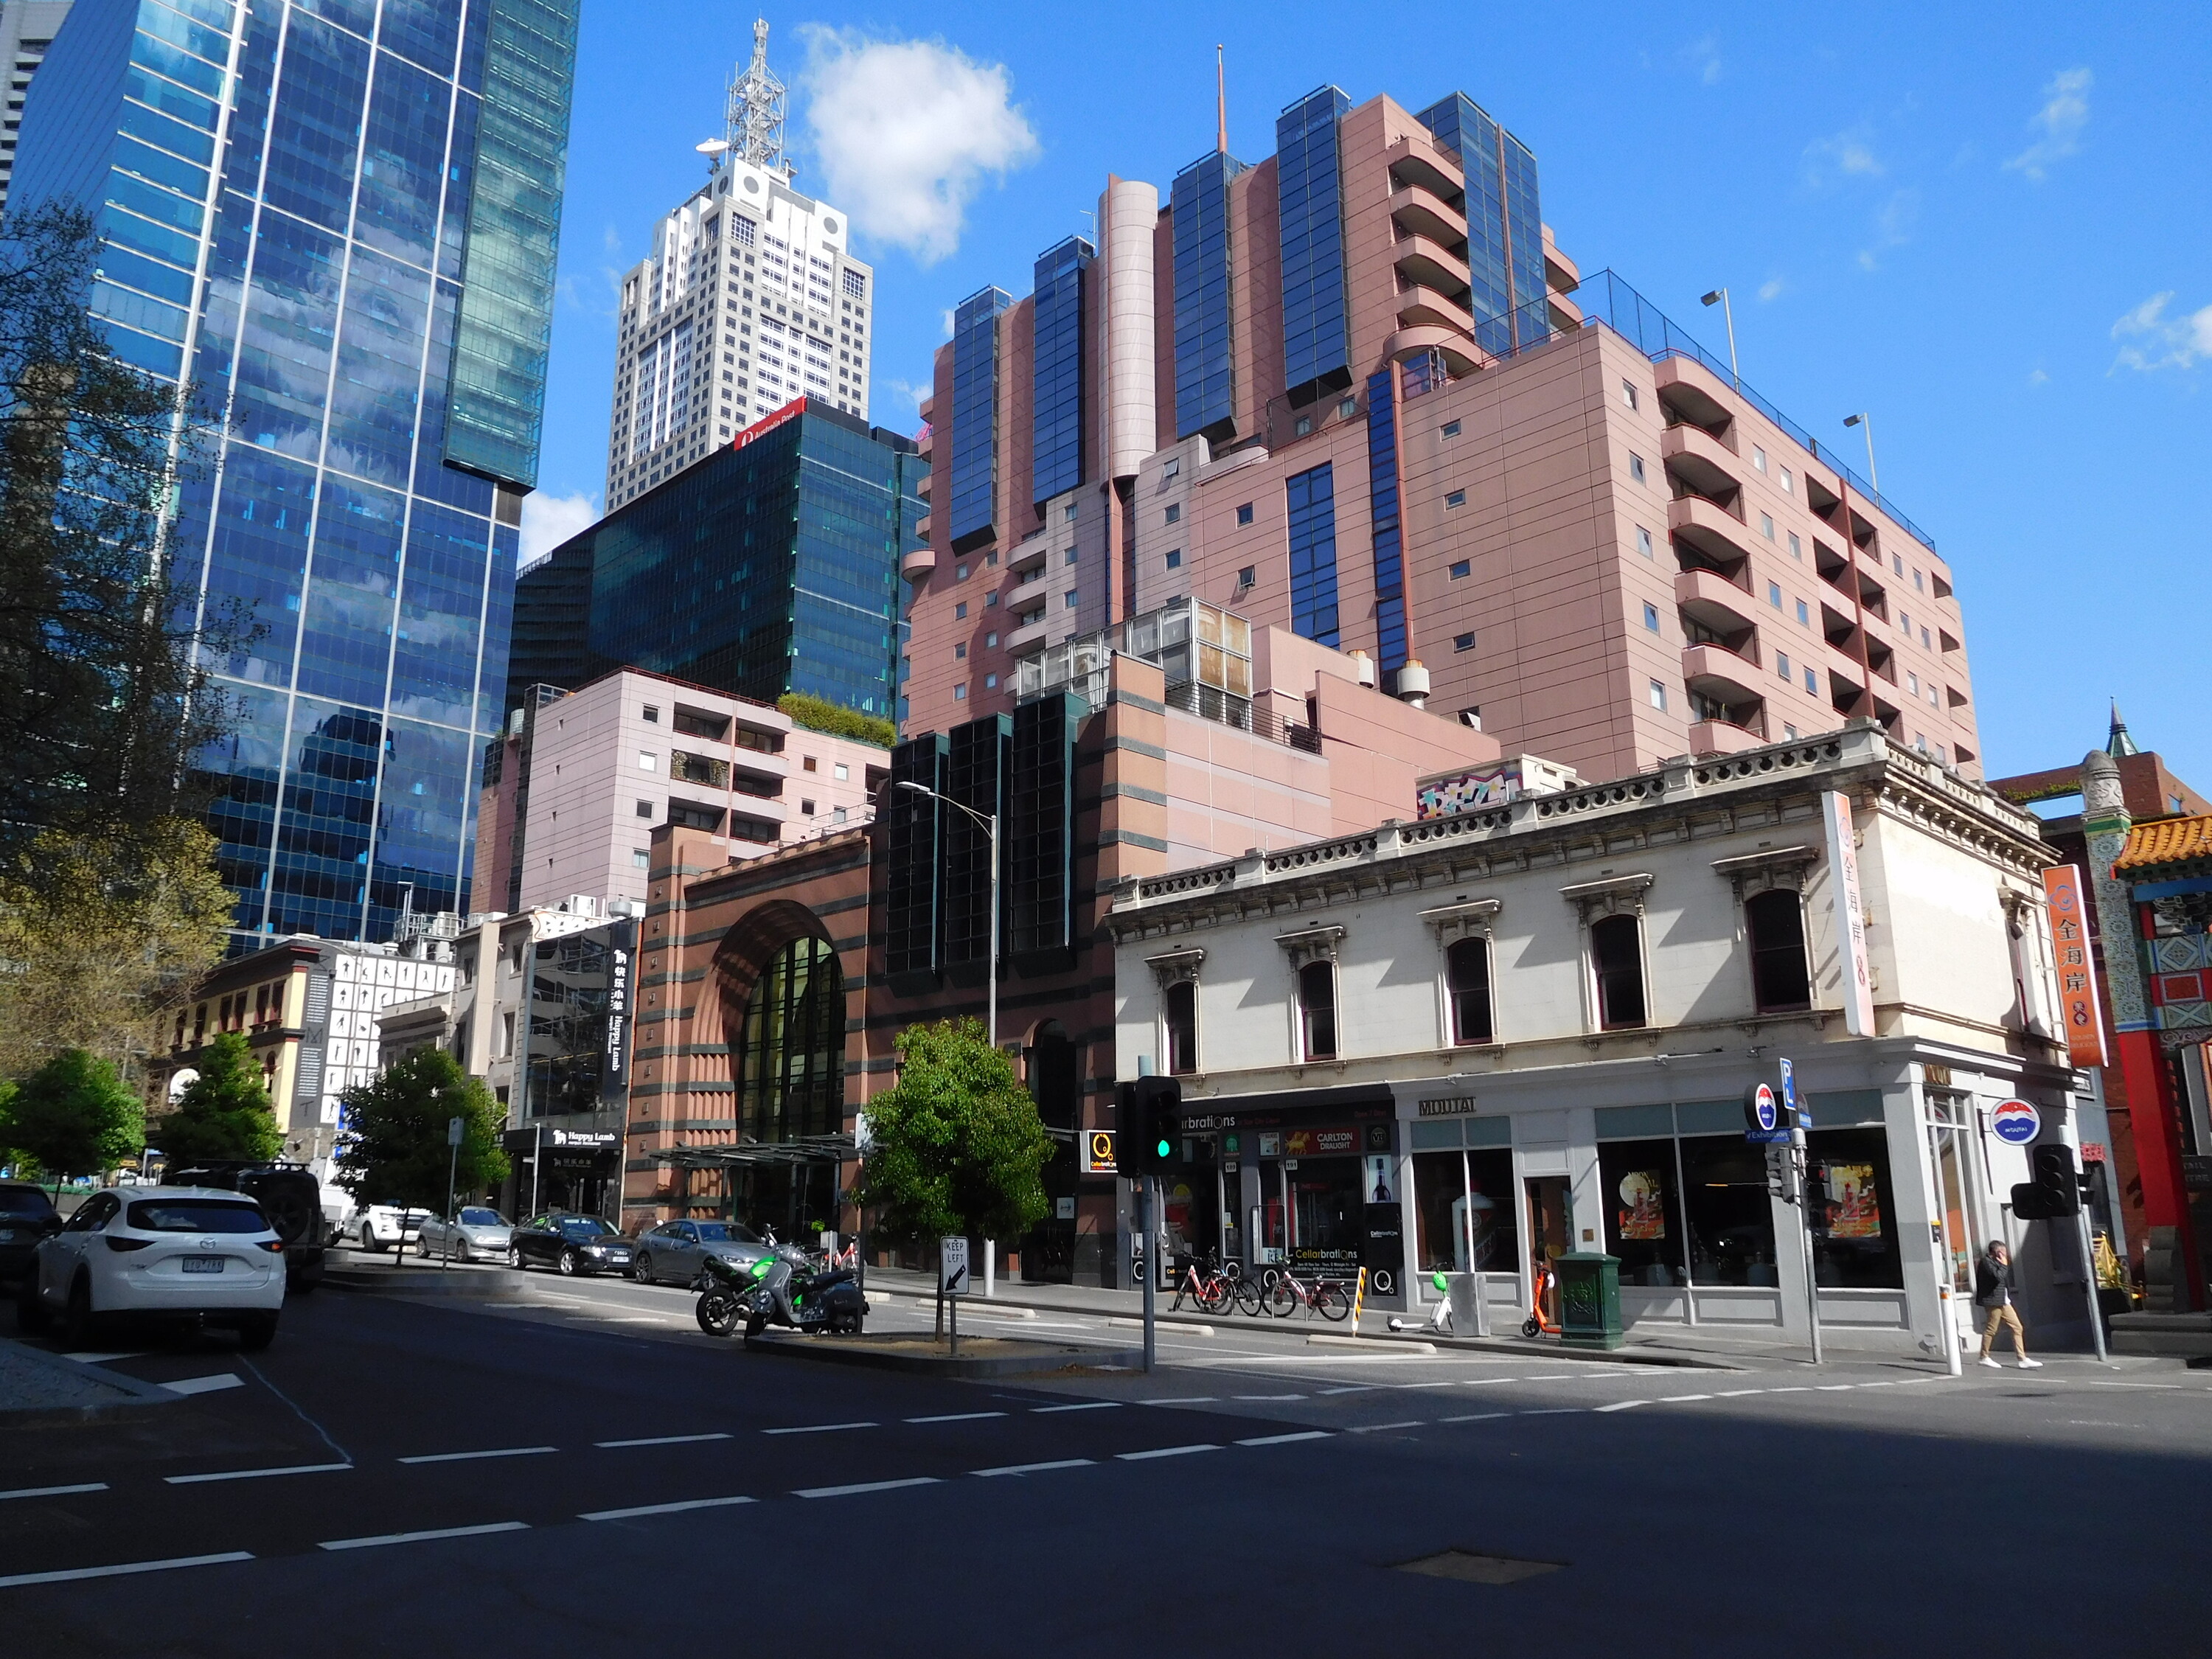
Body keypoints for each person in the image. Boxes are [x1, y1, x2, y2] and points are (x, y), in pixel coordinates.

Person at [1973, 1239, 2041, 1369]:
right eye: (2004, 1251)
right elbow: (1998, 1277)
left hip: (2003, 1300)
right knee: (1991, 1329)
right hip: (1993, 1301)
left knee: (2017, 1327)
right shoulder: (1986, 1262)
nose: (2006, 1254)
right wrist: (2004, 1265)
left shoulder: (1995, 1262)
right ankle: (1984, 1357)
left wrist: (2003, 1264)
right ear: (1997, 1252)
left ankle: (2022, 1359)